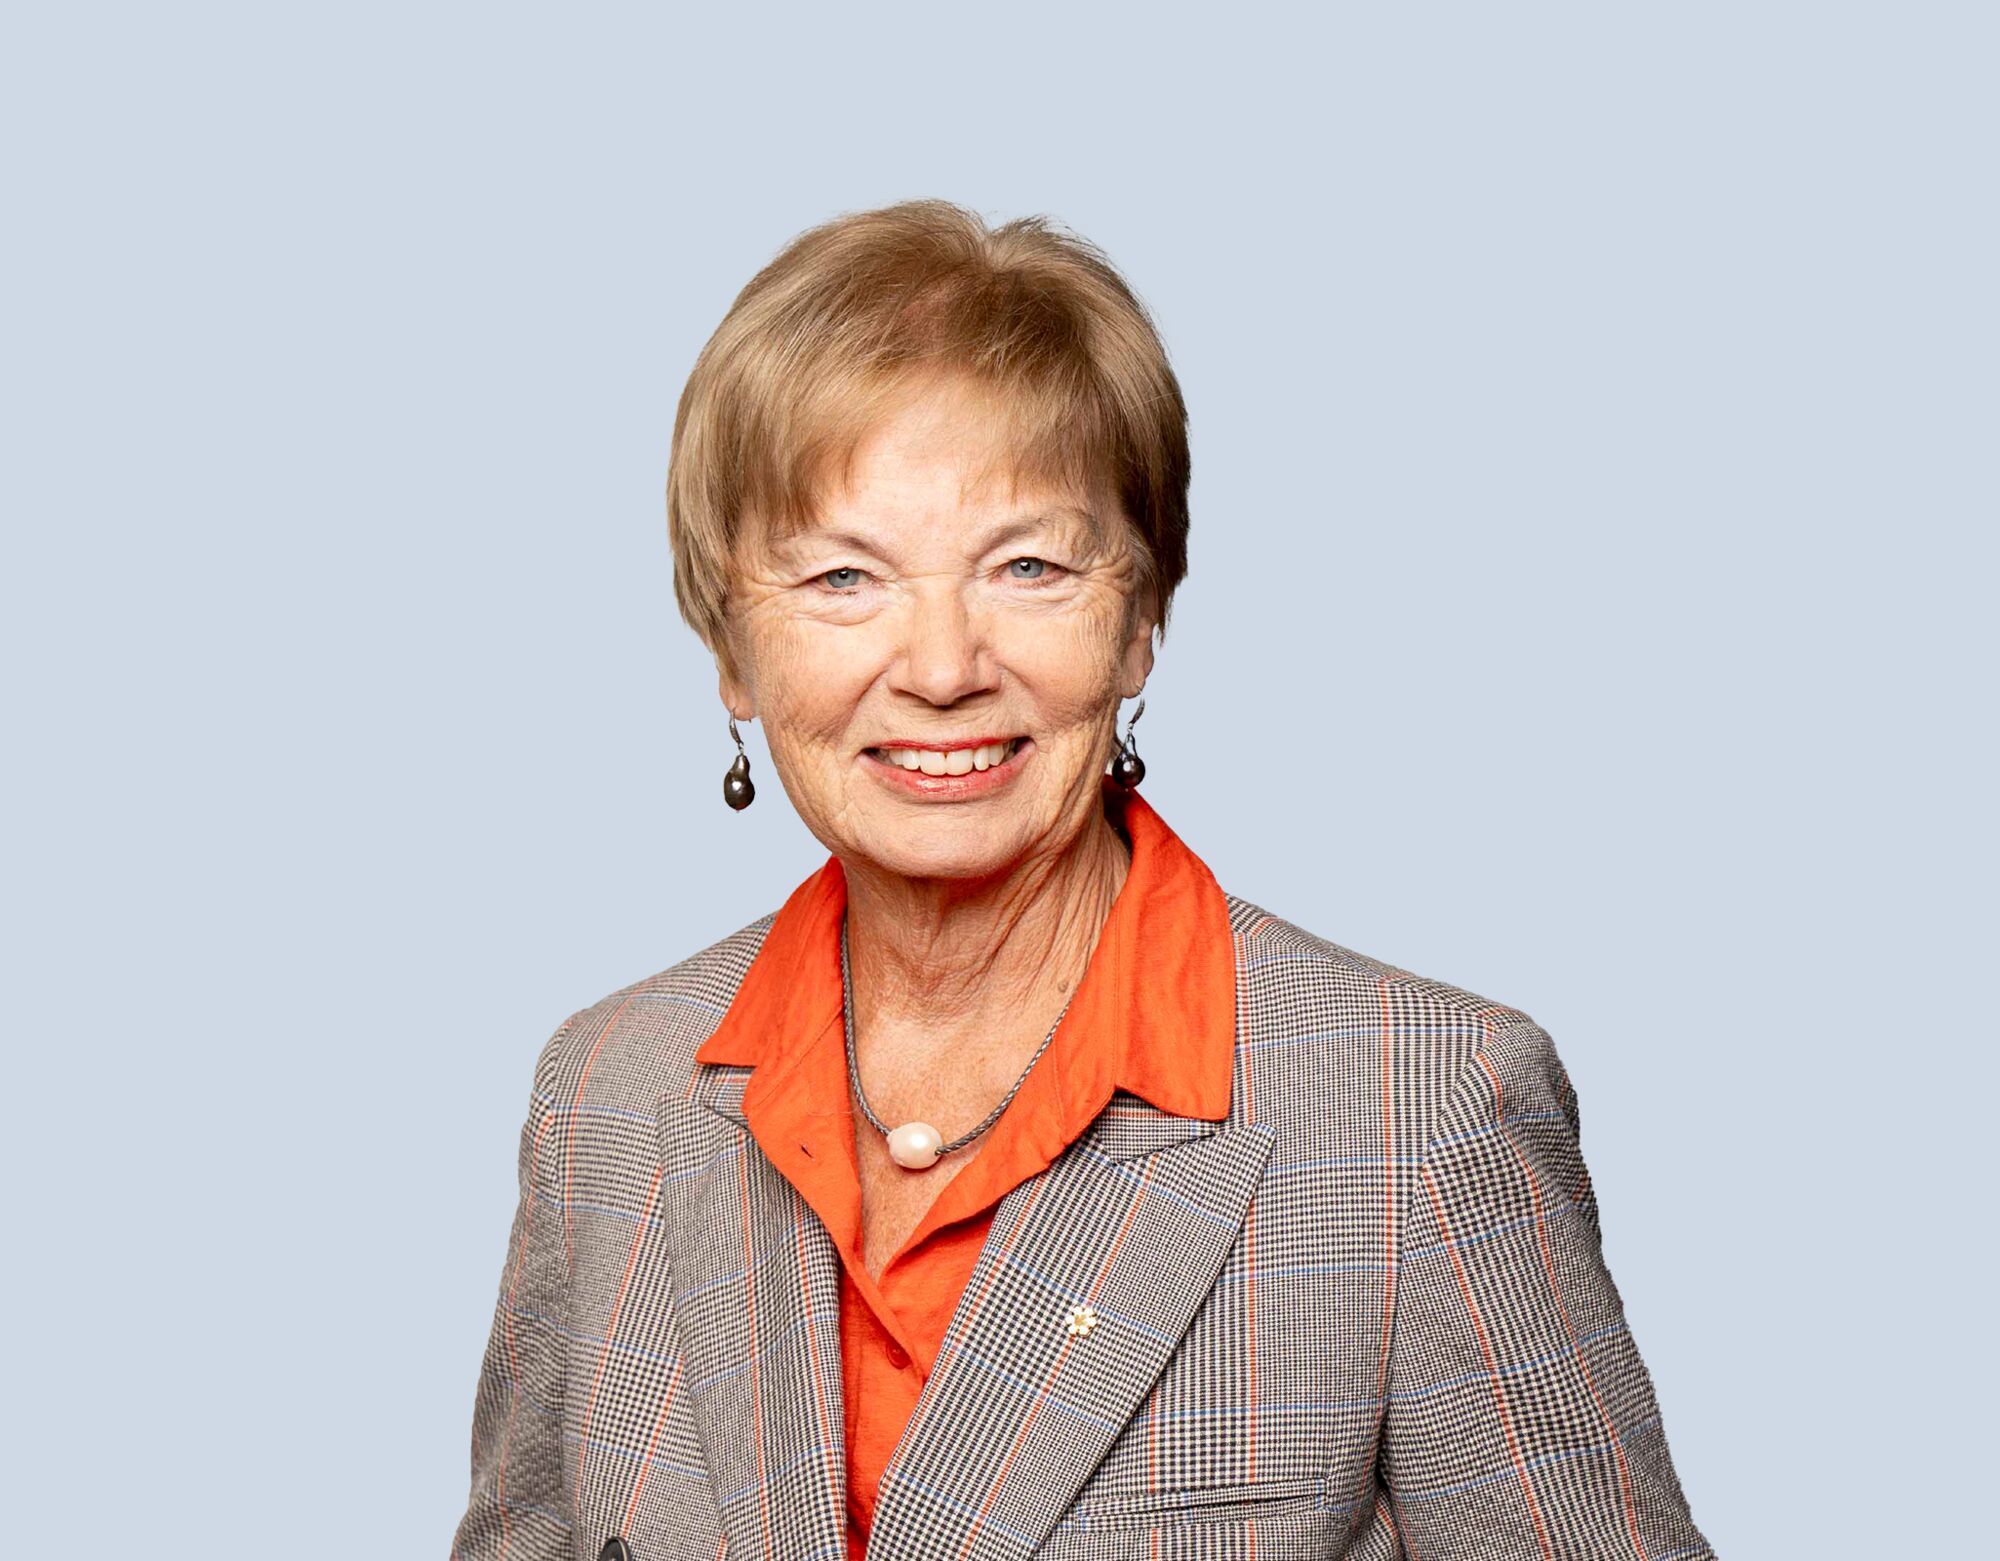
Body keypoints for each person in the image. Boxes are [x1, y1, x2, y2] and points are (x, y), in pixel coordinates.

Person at [451, 199, 1714, 1561]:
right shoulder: (608, 1099)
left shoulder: (1424, 1113)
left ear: (1141, 620)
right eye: (841, 577)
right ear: (732, 656)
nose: (940, 666)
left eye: (1029, 566)